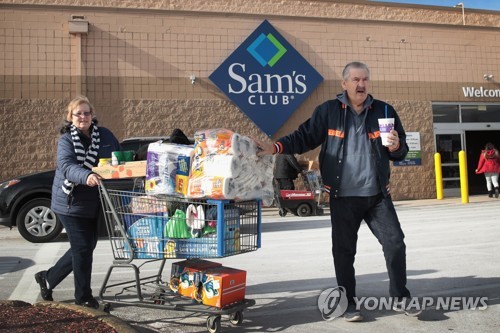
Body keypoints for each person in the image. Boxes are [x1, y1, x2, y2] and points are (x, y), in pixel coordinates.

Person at [256, 61, 419, 321]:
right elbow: (303, 136)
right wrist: (275, 147)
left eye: (364, 79)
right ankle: (348, 303)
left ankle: (401, 296)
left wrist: (398, 145)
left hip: (377, 195)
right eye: (355, 79)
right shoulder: (329, 111)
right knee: (343, 251)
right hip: (343, 196)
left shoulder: (385, 110)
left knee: (395, 243)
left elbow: (399, 152)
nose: (361, 84)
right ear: (344, 84)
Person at [35, 96, 120, 308]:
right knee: (82, 247)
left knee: (84, 246)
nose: (83, 117)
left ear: (93, 115)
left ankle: (47, 278)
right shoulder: (66, 140)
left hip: (94, 201)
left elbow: (118, 156)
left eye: (86, 113)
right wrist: (86, 176)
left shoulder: (105, 135)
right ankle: (83, 297)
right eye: (78, 113)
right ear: (70, 117)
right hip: (69, 201)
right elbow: (66, 165)